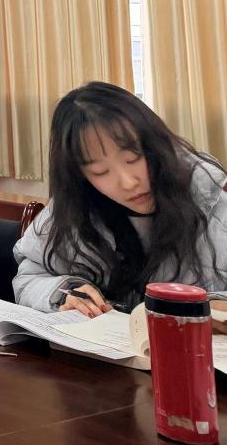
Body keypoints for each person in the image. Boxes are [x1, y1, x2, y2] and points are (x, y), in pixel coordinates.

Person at [14, 81, 227, 317]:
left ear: (156, 143)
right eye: (100, 172)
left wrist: (211, 309)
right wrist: (64, 293)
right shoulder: (75, 207)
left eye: (133, 158)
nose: (128, 182)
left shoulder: (212, 202)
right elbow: (29, 277)